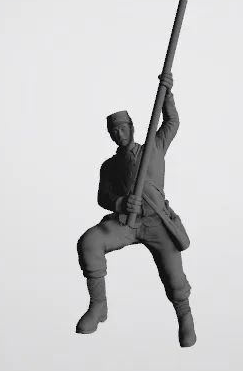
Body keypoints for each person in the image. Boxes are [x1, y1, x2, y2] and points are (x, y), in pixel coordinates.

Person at [76, 72, 196, 347]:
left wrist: (167, 94)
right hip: (126, 223)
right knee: (90, 242)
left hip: (157, 221)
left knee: (174, 277)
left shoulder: (154, 146)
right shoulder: (109, 166)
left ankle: (185, 317)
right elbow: (103, 196)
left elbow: (172, 122)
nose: (119, 133)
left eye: (123, 128)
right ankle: (98, 306)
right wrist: (120, 203)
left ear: (132, 127)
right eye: (114, 131)